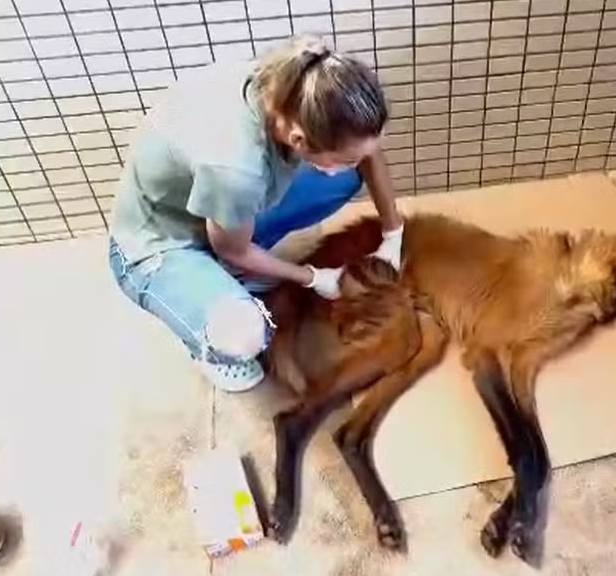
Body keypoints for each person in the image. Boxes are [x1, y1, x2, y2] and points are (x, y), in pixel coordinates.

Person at [106, 34, 404, 393]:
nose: (355, 162)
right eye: (346, 157)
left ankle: (230, 266)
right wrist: (312, 277)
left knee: (343, 179)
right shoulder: (237, 169)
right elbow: (232, 247)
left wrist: (394, 233)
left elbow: (365, 149)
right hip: (159, 242)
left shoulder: (293, 85)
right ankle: (209, 343)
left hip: (214, 210)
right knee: (244, 333)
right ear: (298, 140)